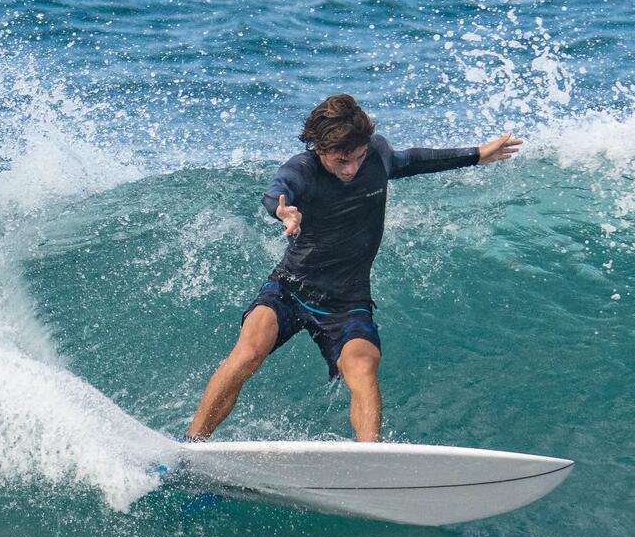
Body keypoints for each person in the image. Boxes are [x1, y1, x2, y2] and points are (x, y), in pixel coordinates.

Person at [186, 94, 521, 442]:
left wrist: (477, 154)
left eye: (358, 157)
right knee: (249, 352)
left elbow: (412, 160)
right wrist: (282, 211)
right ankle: (193, 444)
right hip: (290, 288)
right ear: (320, 149)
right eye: (341, 160)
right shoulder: (304, 168)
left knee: (362, 366)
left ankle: (370, 461)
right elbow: (278, 190)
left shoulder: (377, 154)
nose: (352, 169)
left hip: (348, 300)